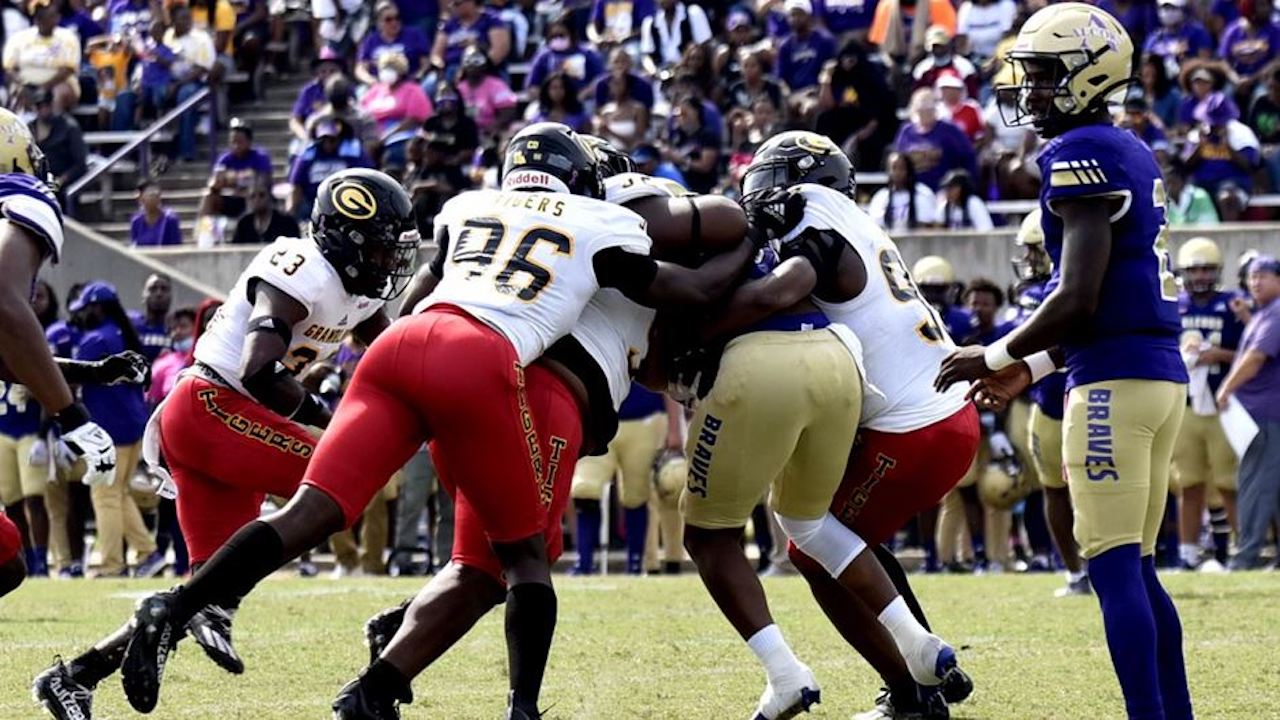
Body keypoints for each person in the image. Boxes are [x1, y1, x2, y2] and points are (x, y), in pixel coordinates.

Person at [116, 124, 755, 719]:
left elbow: (418, 295)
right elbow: (692, 293)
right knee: (525, 557)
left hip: (400, 348)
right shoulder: (599, 219)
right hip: (480, 360)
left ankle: (171, 609)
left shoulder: (466, 206)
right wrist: (751, 239)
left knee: (311, 511)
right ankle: (523, 711)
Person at [357, 137, 752, 714]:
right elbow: (718, 231)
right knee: (496, 567)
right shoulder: (617, 208)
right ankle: (380, 687)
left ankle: (398, 640)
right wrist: (749, 239)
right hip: (537, 396)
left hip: (489, 385)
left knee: (512, 556)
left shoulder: (551, 223)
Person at [34, 169, 415, 720]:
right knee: (337, 487)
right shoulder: (302, 268)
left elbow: (391, 356)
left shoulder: (357, 293)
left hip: (227, 426)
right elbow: (258, 369)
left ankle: (75, 677)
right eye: (379, 250)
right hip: (212, 408)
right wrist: (327, 418)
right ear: (344, 239)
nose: (386, 264)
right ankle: (173, 610)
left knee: (209, 589)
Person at [936, 6, 1193, 719]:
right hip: (1153, 375)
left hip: (1112, 383)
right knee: (1139, 572)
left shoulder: (1081, 150)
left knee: (1112, 570)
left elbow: (1077, 295)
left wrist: (991, 352)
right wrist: (1037, 366)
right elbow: (1106, 296)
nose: (1034, 92)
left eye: (1047, 76)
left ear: (1091, 76)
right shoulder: (1127, 146)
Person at [695, 132, 977, 718]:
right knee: (845, 540)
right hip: (939, 413)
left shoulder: (813, 212)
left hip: (913, 427)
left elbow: (784, 289)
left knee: (812, 546)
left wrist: (701, 323)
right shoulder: (858, 221)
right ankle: (919, 678)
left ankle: (911, 692)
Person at [1009, 210, 1090, 597]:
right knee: (1054, 489)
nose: (1029, 260)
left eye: (1034, 251)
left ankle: (1094, 568)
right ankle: (1076, 572)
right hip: (1048, 405)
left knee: (1088, 492)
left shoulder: (1070, 288)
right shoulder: (1034, 293)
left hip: (1083, 400)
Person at [69, 282, 165, 579]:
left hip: (110, 429)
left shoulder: (95, 340)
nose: (83, 315)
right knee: (118, 493)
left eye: (86, 309)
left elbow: (71, 382)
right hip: (134, 426)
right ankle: (148, 553)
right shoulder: (126, 334)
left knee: (105, 496)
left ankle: (111, 564)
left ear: (98, 308)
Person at [1171, 238, 1242, 571]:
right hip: (1184, 407)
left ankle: (1242, 547)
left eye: (1206, 269)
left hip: (1222, 407)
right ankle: (1187, 552)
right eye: (1194, 269)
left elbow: (1257, 353)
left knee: (1230, 483)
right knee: (1189, 482)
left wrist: (1219, 356)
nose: (1200, 276)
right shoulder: (1174, 306)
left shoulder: (1232, 305)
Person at [1215, 255, 1280, 571]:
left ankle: (1245, 557)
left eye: (1263, 276)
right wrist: (1246, 316)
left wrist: (1226, 387)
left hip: (1266, 414)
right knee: (1273, 487)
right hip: (1264, 413)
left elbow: (1255, 357)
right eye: (1252, 277)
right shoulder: (1266, 312)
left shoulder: (1277, 311)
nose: (1255, 282)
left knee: (1255, 484)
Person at [893, 87, 977, 191]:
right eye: (921, 110)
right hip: (913, 190)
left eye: (929, 109)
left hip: (943, 190)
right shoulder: (906, 131)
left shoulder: (949, 130)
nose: (925, 113)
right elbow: (897, 160)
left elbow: (968, 158)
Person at [2, 1, 80, 112]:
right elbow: (9, 68)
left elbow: (68, 69)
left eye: (49, 15)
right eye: (39, 16)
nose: (43, 18)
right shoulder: (19, 38)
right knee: (17, 94)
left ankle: (54, 127)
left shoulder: (67, 37)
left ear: (57, 17)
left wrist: (43, 88)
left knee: (59, 92)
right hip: (26, 83)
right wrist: (23, 84)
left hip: (57, 83)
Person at [288, 120, 374, 220]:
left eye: (332, 140)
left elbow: (366, 177)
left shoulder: (354, 152)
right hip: (314, 202)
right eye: (323, 140)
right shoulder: (307, 154)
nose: (327, 144)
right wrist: (291, 210)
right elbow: (296, 186)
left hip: (346, 202)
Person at [358, 51, 433, 167]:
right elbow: (361, 113)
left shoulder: (412, 90)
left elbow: (412, 120)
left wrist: (384, 138)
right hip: (373, 135)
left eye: (391, 68)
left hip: (400, 137)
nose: (387, 72)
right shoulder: (375, 90)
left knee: (393, 153)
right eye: (384, 68)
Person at [162, 6, 216, 163]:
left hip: (195, 83)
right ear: (172, 21)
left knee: (186, 96)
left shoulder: (201, 38)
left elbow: (202, 68)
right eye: (183, 18)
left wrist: (177, 85)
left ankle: (187, 151)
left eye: (189, 18)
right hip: (169, 81)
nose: (188, 22)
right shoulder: (167, 36)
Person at [203, 118, 273, 219]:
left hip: (253, 199)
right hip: (231, 198)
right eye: (233, 142)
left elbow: (263, 181)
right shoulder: (225, 158)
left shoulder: (260, 156)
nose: (235, 146)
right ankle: (203, 231)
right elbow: (214, 183)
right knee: (208, 195)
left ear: (249, 141)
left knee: (254, 195)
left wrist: (233, 179)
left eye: (240, 142)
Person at [356, 1, 431, 87]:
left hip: (410, 84)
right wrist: (372, 81)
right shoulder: (370, 41)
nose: (394, 22)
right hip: (378, 86)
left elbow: (425, 63)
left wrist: (417, 76)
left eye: (397, 18)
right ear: (379, 23)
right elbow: (361, 69)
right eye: (388, 19)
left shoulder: (415, 35)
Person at [526, 15, 604, 95]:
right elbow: (532, 85)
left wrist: (584, 94)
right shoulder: (543, 56)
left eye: (561, 35)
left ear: (572, 35)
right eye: (553, 36)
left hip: (583, 100)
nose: (557, 39)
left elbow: (601, 79)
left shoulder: (588, 54)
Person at [28, 87, 86, 193]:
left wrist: (60, 180)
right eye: (39, 106)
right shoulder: (29, 128)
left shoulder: (68, 127)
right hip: (35, 183)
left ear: (52, 105)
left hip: (63, 183)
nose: (43, 110)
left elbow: (80, 164)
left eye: (46, 105)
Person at [776, 0, 836, 93]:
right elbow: (780, 77)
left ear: (808, 15)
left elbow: (831, 67)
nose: (795, 18)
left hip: (818, 91)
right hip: (794, 94)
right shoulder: (785, 45)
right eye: (792, 15)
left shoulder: (824, 40)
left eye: (799, 14)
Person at [869, 152, 939, 231]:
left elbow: (929, 226)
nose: (897, 173)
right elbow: (876, 227)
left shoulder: (923, 193)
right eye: (893, 168)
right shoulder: (881, 197)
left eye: (901, 168)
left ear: (909, 170)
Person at [638, 0, 712, 74]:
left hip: (691, 73)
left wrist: (681, 64)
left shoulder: (693, 13)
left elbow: (703, 45)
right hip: (662, 75)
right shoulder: (649, 23)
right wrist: (654, 71)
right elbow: (646, 56)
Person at [455, 48, 517, 135]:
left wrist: (493, 127)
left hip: (491, 133)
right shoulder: (459, 88)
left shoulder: (497, 85)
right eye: (468, 60)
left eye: (477, 60)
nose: (472, 65)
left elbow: (508, 112)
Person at [912, 25, 979, 98]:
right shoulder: (922, 69)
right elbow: (917, 96)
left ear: (948, 44)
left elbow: (972, 96)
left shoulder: (964, 67)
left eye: (940, 45)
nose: (938, 49)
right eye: (935, 46)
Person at [233, 183, 301, 245]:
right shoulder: (243, 224)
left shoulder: (287, 223)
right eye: (252, 196)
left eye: (261, 195)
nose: (257, 200)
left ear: (270, 197)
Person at [130, 272, 173, 364]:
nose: (159, 293)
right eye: (153, 289)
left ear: (171, 296)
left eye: (164, 289)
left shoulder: (178, 330)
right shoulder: (131, 326)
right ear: (143, 295)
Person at [1162, 159, 1219, 226]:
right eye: (1167, 183)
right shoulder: (1162, 202)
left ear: (1182, 180)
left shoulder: (1200, 196)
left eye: (1173, 182)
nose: (1170, 187)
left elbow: (1211, 225)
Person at [130, 182, 183, 247]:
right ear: (141, 198)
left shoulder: (170, 219)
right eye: (150, 195)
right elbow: (134, 243)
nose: (154, 198)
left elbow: (177, 245)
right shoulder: (136, 221)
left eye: (156, 196)